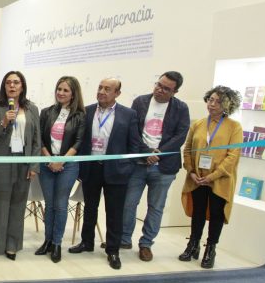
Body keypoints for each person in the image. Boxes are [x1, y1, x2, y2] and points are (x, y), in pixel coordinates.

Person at [69, 78, 140, 270]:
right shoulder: (87, 111)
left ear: (117, 93)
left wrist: (127, 167)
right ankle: (87, 242)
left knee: (114, 212)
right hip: (91, 167)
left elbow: (135, 145)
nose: (102, 91)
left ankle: (113, 250)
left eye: (107, 89)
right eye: (100, 88)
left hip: (116, 170)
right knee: (89, 207)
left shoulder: (128, 114)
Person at [122, 72, 190, 261]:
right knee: (128, 203)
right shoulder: (140, 102)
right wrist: (147, 153)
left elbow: (181, 135)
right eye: (158, 85)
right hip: (138, 163)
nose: (159, 90)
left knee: (156, 207)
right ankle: (125, 238)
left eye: (166, 88)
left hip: (164, 167)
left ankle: (146, 244)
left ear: (175, 92)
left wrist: (158, 153)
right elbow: (133, 131)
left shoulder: (181, 108)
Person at [180, 85, 242, 269]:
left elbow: (233, 156)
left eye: (218, 101)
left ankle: (210, 249)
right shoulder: (198, 124)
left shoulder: (234, 127)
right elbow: (188, 149)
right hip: (197, 178)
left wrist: (213, 176)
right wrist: (190, 170)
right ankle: (193, 245)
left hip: (219, 180)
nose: (212, 104)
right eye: (211, 100)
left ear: (227, 105)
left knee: (216, 214)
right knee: (197, 212)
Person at [0, 71, 40, 260]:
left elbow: (37, 140)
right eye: (8, 82)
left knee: (18, 205)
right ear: (4, 86)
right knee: (0, 204)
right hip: (1, 160)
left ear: (22, 86)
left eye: (16, 82)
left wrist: (33, 165)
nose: (12, 86)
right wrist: (4, 122)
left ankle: (12, 245)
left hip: (23, 161)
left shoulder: (32, 109)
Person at [35, 76, 85, 263]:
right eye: (59, 89)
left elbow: (79, 141)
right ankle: (47, 241)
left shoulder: (80, 115)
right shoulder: (46, 112)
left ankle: (57, 243)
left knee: (60, 205)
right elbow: (39, 138)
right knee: (49, 205)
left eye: (65, 90)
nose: (61, 93)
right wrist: (49, 158)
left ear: (73, 94)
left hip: (68, 165)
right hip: (47, 163)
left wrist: (61, 161)